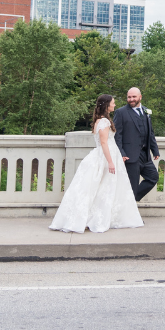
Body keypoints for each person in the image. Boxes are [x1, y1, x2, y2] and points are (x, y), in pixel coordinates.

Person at [49, 93, 143, 234]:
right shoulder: (104, 122)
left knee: (104, 189)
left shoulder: (102, 120)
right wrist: (110, 162)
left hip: (108, 155)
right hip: (105, 157)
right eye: (112, 102)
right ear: (106, 105)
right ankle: (94, 219)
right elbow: (104, 143)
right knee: (102, 189)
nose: (115, 105)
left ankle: (99, 217)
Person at [113, 86, 161, 203]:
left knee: (153, 177)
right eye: (129, 97)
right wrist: (122, 153)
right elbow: (117, 135)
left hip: (145, 155)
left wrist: (155, 150)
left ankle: (130, 201)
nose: (131, 99)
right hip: (130, 156)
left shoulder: (146, 111)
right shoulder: (121, 112)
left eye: (134, 97)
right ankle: (129, 216)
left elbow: (150, 133)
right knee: (132, 185)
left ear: (140, 97)